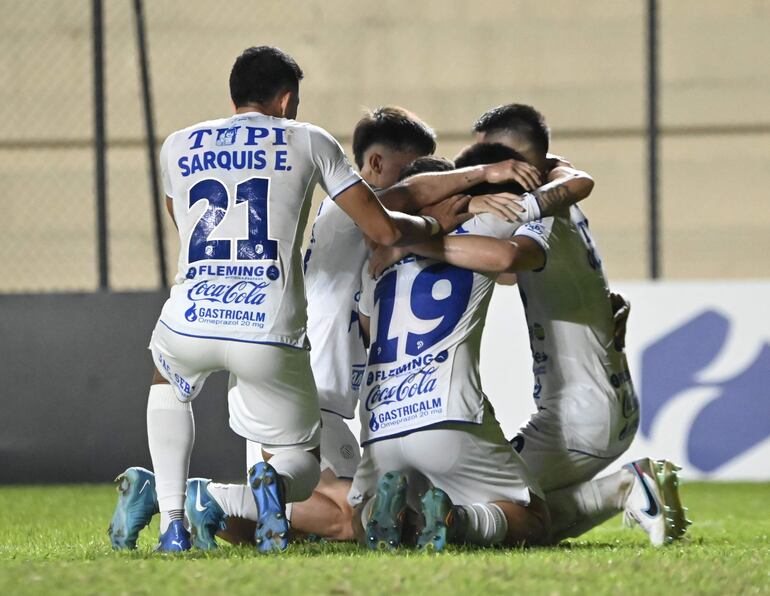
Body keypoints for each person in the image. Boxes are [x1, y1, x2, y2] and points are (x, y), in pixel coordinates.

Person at [109, 47, 471, 554]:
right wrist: (444, 216)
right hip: (270, 332)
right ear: (285, 100)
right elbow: (385, 224)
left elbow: (182, 217)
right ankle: (216, 495)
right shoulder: (309, 141)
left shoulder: (177, 144)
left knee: (166, 375)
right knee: (325, 493)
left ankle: (172, 517)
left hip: (192, 314)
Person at [371, 105, 690, 546]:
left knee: (499, 509)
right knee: (493, 499)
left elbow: (506, 259)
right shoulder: (559, 198)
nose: (487, 168)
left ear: (524, 161)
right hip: (597, 400)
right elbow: (505, 269)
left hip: (579, 416)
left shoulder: (538, 210)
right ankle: (628, 486)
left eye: (494, 157)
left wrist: (413, 243)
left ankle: (626, 488)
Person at [351, 146, 558, 551]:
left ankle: (392, 514)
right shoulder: (487, 225)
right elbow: (511, 259)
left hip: (381, 426)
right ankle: (462, 522)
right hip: (447, 414)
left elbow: (366, 328)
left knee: (360, 523)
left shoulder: (375, 260)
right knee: (534, 518)